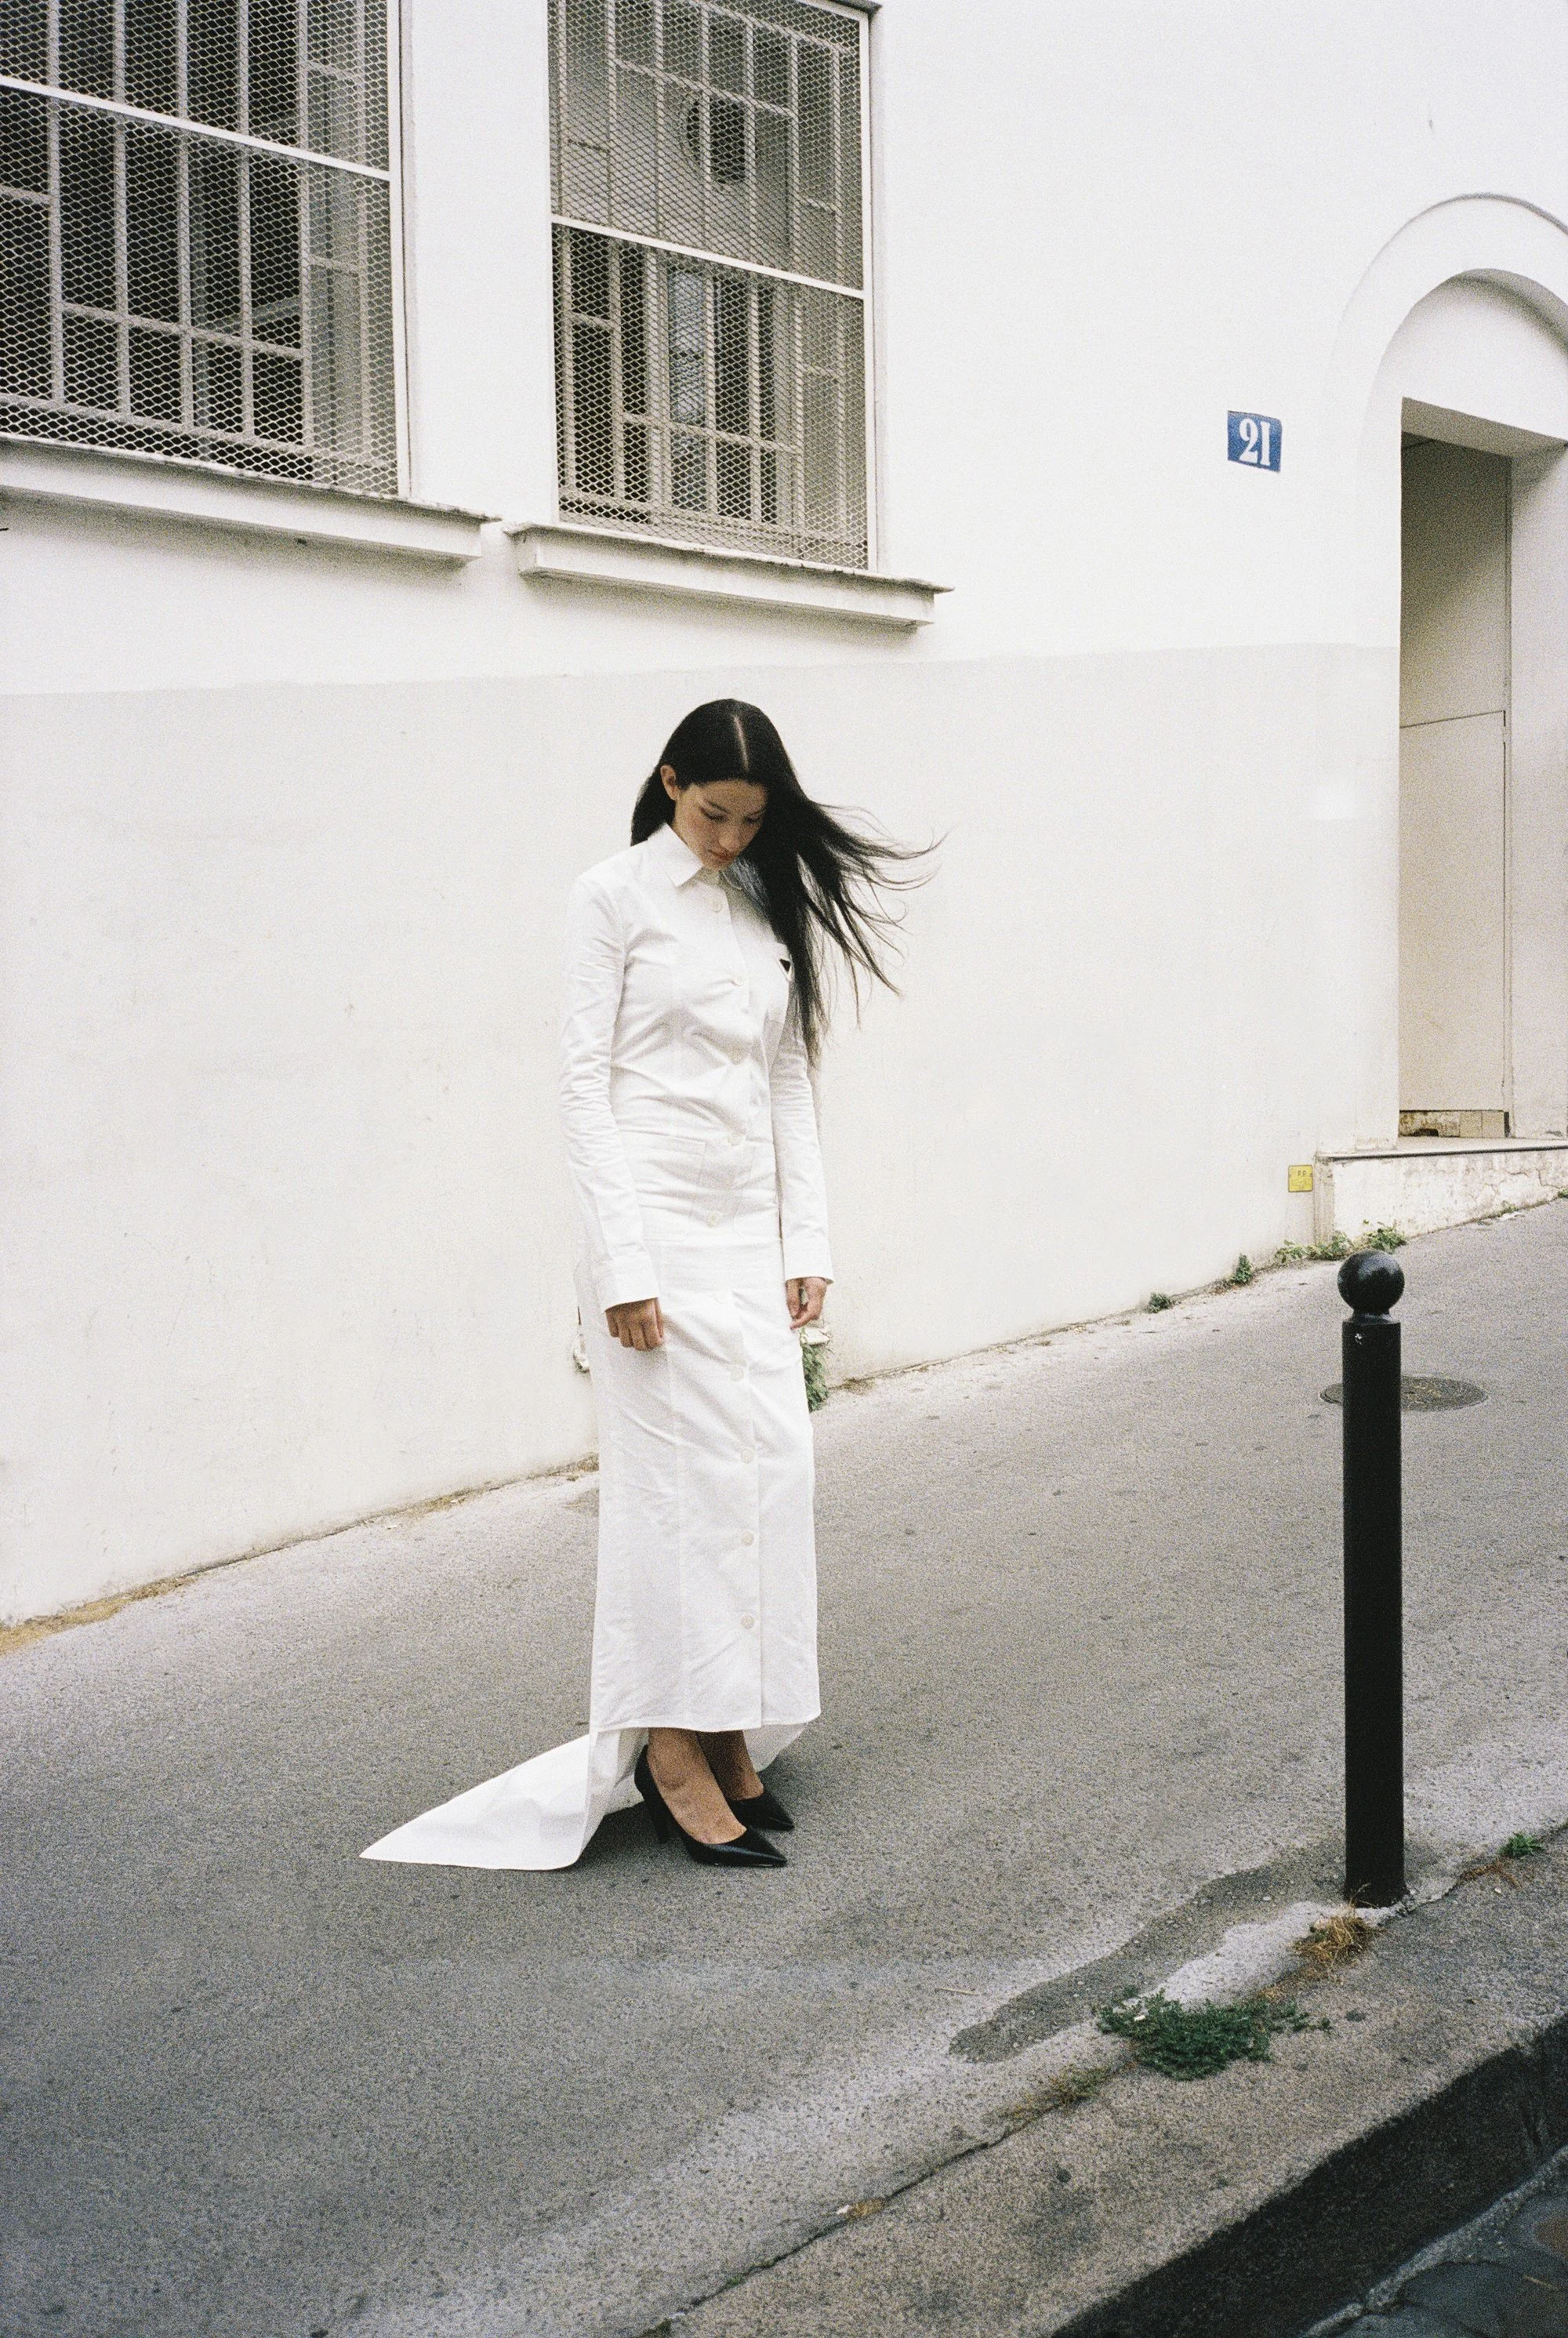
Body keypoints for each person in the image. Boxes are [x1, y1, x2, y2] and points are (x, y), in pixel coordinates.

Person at [364, 700, 919, 1874]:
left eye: (751, 820)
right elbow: (581, 1089)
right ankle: (672, 1749)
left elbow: (784, 1081)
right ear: (671, 782)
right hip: (653, 1232)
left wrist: (804, 1243)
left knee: (766, 1476)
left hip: (743, 1238)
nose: (728, 837)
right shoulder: (609, 897)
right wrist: (619, 1264)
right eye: (715, 812)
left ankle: (728, 1719)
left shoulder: (761, 905)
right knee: (675, 1497)